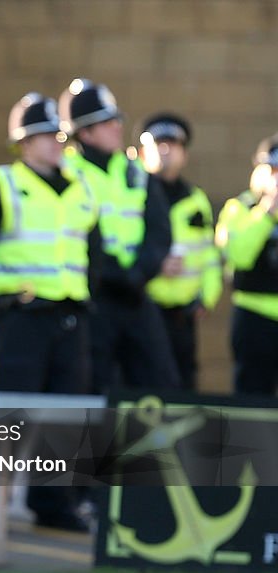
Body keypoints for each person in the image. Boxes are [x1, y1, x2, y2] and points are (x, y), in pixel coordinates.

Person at [0, 93, 98, 531]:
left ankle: (52, 504)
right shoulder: (2, 185)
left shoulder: (79, 189)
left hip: (70, 316)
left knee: (64, 416)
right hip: (22, 317)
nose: (54, 144)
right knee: (6, 413)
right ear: (22, 142)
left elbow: (92, 247)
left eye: (58, 135)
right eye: (42, 136)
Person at [58, 78, 179, 392]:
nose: (117, 127)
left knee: (160, 382)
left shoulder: (136, 171)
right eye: (106, 123)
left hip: (136, 293)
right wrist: (111, 273)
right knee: (94, 384)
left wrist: (138, 272)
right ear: (84, 132)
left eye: (116, 120)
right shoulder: (66, 172)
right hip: (93, 296)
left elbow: (159, 231)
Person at [136, 114, 222, 391]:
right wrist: (153, 266)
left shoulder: (195, 199)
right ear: (140, 152)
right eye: (158, 144)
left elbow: (210, 255)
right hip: (142, 308)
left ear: (184, 153)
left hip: (183, 316)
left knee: (183, 387)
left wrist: (205, 299)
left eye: (173, 144)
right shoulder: (133, 195)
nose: (165, 151)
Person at [219, 134, 278, 396]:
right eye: (273, 170)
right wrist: (267, 212)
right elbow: (239, 256)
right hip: (253, 316)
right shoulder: (238, 208)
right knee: (252, 396)